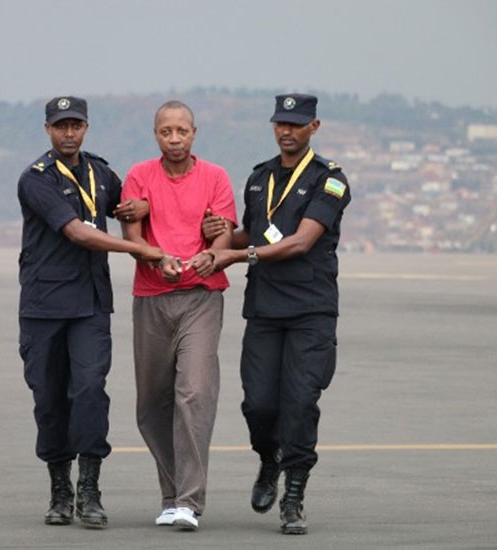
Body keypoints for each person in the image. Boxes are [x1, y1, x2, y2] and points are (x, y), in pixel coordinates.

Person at [203, 93, 352, 535]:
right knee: (259, 405)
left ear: (314, 127)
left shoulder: (331, 181)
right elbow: (258, 231)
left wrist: (236, 255)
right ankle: (269, 458)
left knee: (301, 403)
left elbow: (300, 242)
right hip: (265, 310)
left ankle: (294, 496)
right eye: (280, 123)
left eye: (297, 124)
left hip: (311, 311)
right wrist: (223, 236)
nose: (287, 130)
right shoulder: (259, 178)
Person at [17, 95, 163, 529]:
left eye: (76, 125)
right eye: (60, 126)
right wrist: (136, 248)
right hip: (43, 308)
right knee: (48, 398)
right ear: (47, 130)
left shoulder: (102, 173)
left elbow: (127, 205)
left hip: (91, 308)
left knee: (89, 391)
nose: (68, 133)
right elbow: (77, 232)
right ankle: (59, 489)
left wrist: (141, 208)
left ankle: (90, 488)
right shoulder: (35, 179)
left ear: (86, 127)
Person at [120, 100, 237, 531]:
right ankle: (169, 495)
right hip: (151, 297)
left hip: (201, 298)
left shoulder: (215, 177)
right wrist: (155, 260)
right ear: (156, 135)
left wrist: (213, 256)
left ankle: (189, 501)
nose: (174, 139)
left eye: (181, 131)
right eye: (166, 131)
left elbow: (223, 233)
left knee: (193, 393)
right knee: (152, 403)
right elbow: (132, 234)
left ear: (194, 133)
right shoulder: (139, 175)